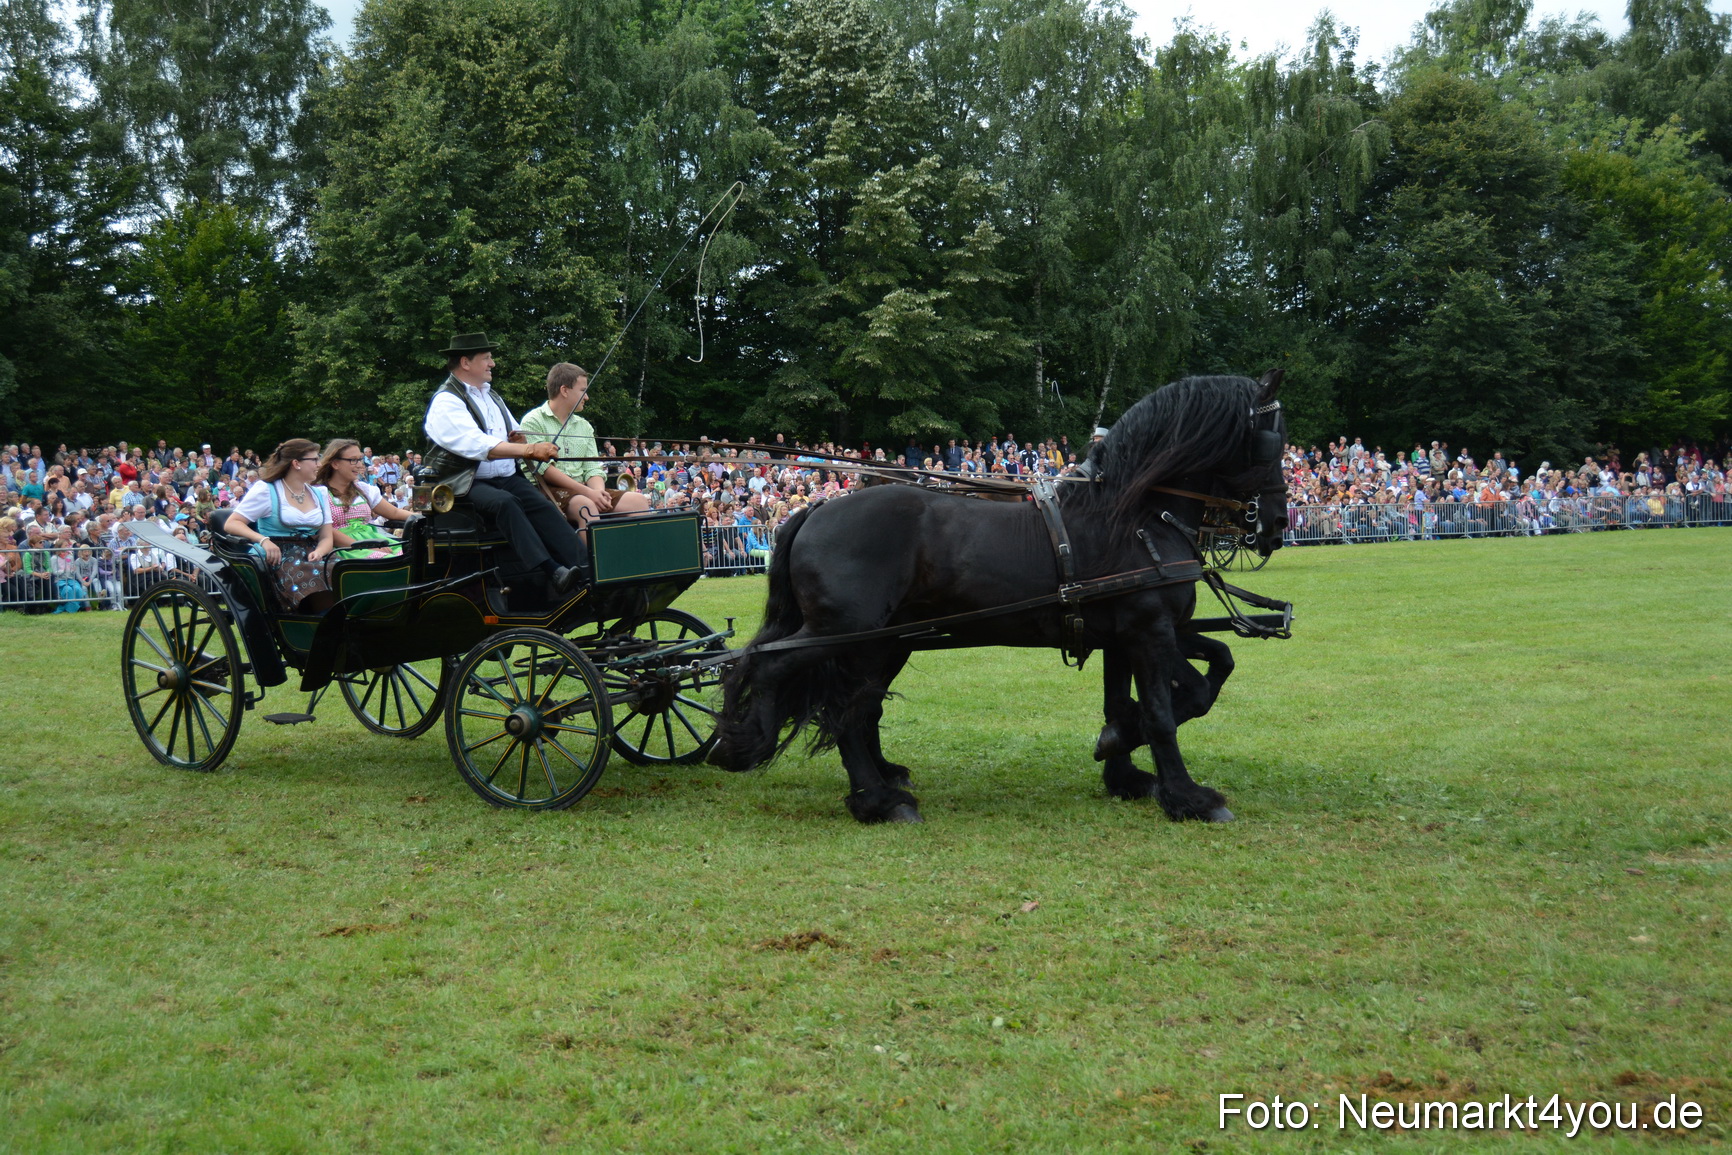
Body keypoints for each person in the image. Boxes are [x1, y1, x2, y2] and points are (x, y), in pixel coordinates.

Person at [419, 333, 583, 594]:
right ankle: (553, 571)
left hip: (504, 478)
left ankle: (585, 568)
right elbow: (478, 445)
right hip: (462, 482)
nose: (492, 363)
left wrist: (523, 439)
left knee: (541, 504)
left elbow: (514, 432)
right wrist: (529, 448)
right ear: (465, 362)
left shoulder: (491, 396)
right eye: (487, 358)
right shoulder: (446, 401)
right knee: (505, 504)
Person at [519, 363, 652, 530]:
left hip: (583, 490)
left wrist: (599, 493)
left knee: (637, 501)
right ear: (564, 390)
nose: (587, 397)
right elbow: (544, 470)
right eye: (583, 390)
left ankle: (638, 555)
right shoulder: (533, 421)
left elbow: (592, 468)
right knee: (586, 506)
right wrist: (589, 493)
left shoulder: (584, 426)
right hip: (544, 490)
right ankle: (590, 557)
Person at [225, 439, 336, 611]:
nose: (319, 464)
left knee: (343, 571)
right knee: (316, 575)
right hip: (279, 556)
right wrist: (263, 540)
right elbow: (232, 523)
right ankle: (324, 623)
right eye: (314, 459)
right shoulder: (266, 490)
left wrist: (320, 552)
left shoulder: (319, 492)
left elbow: (326, 537)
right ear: (296, 463)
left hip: (313, 554)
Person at [315, 439, 414, 558]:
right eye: (353, 460)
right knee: (390, 560)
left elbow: (394, 512)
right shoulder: (319, 493)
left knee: (411, 554)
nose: (360, 465)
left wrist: (421, 516)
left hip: (372, 540)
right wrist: (364, 545)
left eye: (360, 459)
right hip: (344, 547)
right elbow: (325, 531)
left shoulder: (363, 489)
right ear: (335, 463)